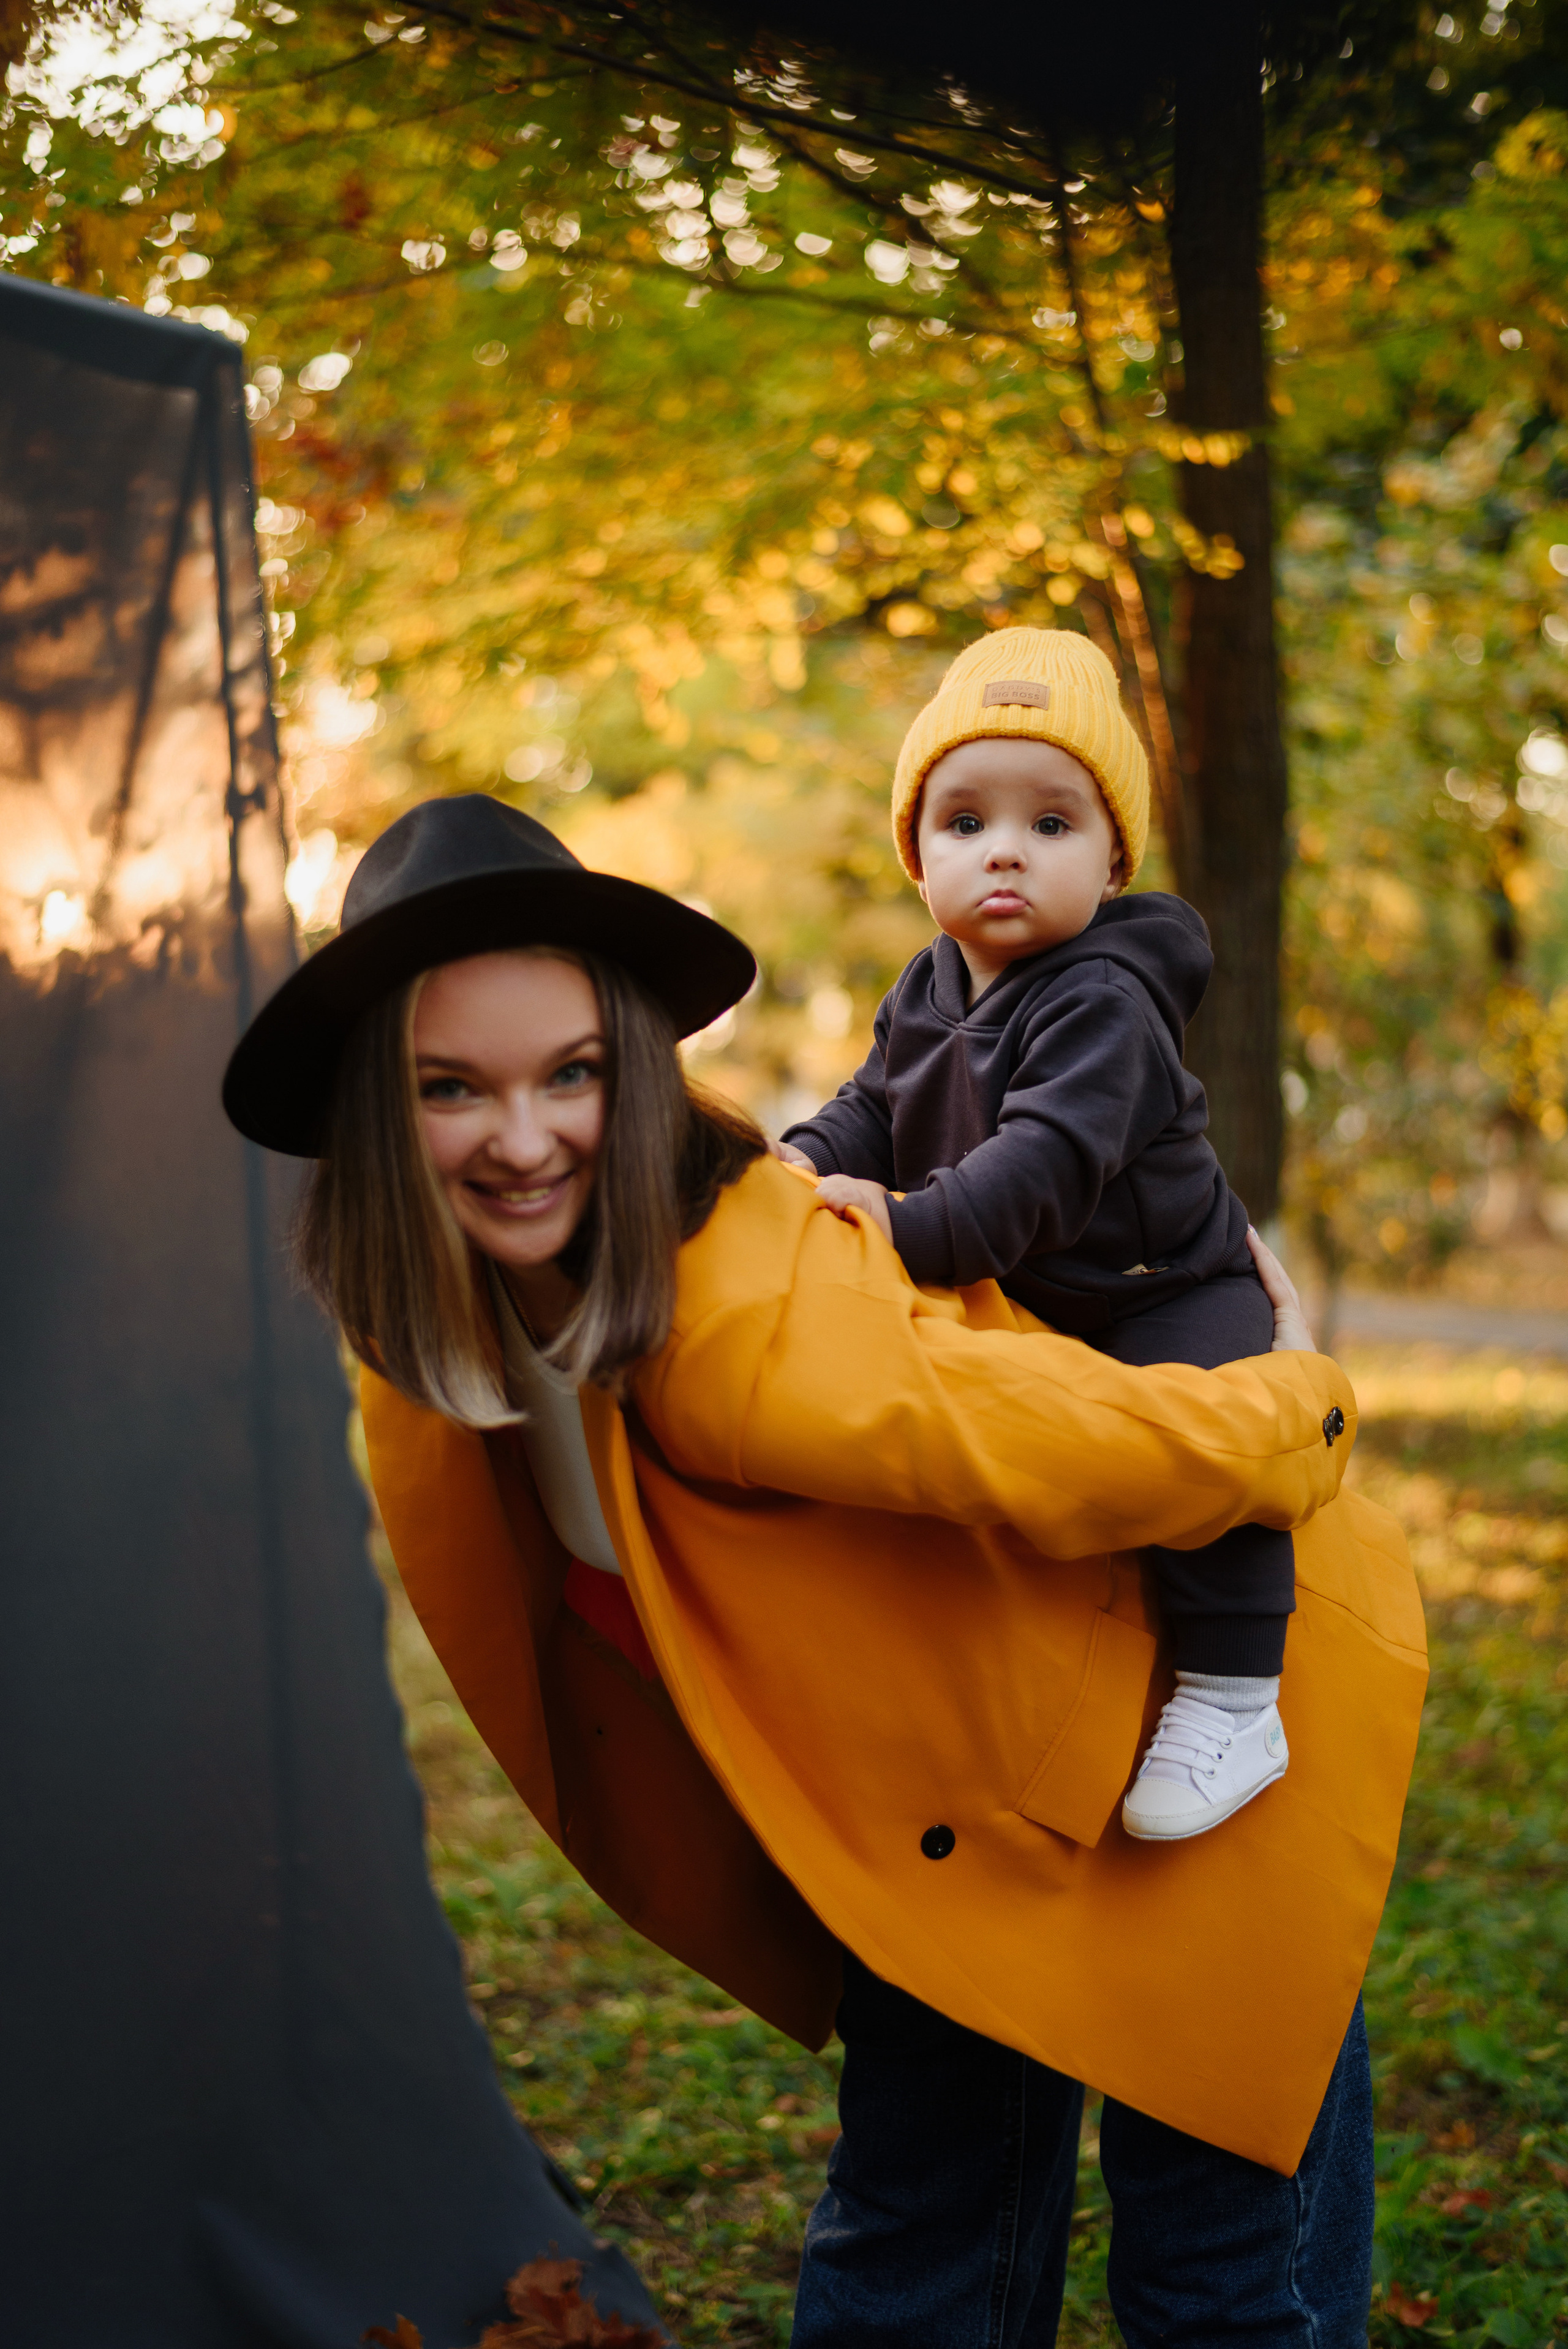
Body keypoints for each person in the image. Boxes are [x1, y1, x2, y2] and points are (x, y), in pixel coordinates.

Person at [223, 793, 1427, 2348]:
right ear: (377, 1116)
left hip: (1185, 1727)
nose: (520, 1140)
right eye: (449, 1087)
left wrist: (1300, 1392)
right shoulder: (441, 1345)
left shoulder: (732, 1326)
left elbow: (1094, 1443)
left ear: (629, 1070)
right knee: (922, 2249)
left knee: (1217, 2278)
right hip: (941, 1810)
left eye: (570, 1074)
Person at [780, 627, 1297, 1844]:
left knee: (1200, 1439)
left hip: (1161, 1283)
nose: (1003, 848)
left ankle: (1234, 1696)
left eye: (1049, 823)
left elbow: (1045, 1164)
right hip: (1033, 1285)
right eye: (964, 821)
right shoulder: (925, 984)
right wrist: (798, 1160)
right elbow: (874, 1107)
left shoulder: (1105, 998)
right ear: (917, 855)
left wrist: (907, 1228)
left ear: (1112, 862)